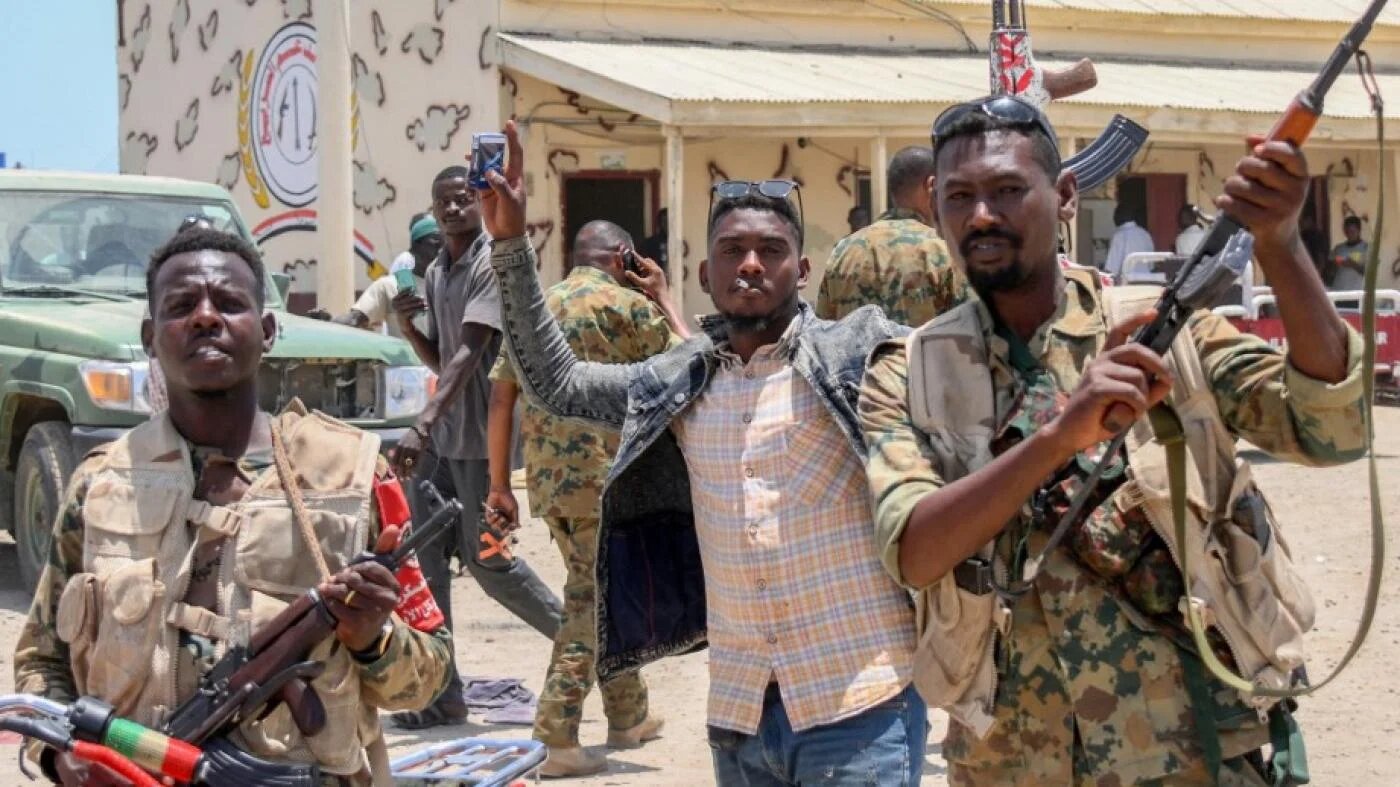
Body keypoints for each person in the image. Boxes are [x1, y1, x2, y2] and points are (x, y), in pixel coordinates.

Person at [858, 95, 1367, 785]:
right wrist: (1058, 436)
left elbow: (1331, 428)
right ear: (933, 205)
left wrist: (1280, 242)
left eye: (1008, 190)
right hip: (1010, 763)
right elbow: (914, 552)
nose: (981, 216)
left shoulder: (1165, 333)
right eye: (959, 196)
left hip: (1193, 751)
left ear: (1065, 194)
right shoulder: (908, 370)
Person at [480, 122, 927, 785]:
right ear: (704, 272)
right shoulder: (682, 382)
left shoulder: (857, 355)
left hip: (858, 709)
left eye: (771, 250)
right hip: (739, 717)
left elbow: (962, 368)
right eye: (732, 249)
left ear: (802, 271)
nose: (750, 263)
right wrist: (512, 244)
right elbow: (557, 383)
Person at [15, 228, 452, 785]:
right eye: (181, 307)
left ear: (267, 331)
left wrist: (372, 639)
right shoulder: (99, 483)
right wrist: (61, 758)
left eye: (228, 302)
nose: (205, 317)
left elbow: (430, 677)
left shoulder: (355, 476)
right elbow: (40, 663)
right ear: (150, 337)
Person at [482, 221, 687, 776]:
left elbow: (501, 398)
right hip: (611, 482)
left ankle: (629, 714)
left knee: (600, 589)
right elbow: (692, 367)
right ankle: (557, 738)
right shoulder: (631, 307)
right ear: (624, 258)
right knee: (589, 603)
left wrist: (499, 485)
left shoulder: (538, 307)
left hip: (552, 484)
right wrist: (664, 296)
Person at [388, 166, 563, 729]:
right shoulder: (438, 271)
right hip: (445, 439)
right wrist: (409, 329)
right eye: (443, 201)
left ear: (477, 203)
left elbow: (469, 353)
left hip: (483, 442)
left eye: (463, 199)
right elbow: (443, 359)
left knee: (490, 564)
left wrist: (421, 424)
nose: (452, 209)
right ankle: (442, 692)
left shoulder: (488, 263)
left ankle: (588, 652)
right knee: (425, 562)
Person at [817, 145, 968, 325]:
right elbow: (969, 329)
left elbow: (823, 330)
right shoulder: (943, 250)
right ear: (931, 185)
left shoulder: (843, 252)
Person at [308, 215, 442, 335]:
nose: (442, 248)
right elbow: (355, 319)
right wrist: (327, 324)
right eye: (436, 241)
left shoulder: (449, 283)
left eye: (446, 242)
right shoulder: (394, 283)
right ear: (416, 246)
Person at [1104, 200, 1154, 280]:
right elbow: (1151, 266)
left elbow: (1111, 270)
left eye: (1115, 214)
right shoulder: (1145, 234)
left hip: (1127, 284)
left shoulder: (1119, 236)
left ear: (1119, 216)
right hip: (1147, 282)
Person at [1329, 214, 1369, 291]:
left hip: (1356, 292)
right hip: (1338, 290)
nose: (1349, 235)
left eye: (1352, 232)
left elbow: (1369, 273)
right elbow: (1329, 271)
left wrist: (1353, 265)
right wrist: (1334, 264)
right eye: (1347, 232)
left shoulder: (1366, 248)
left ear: (1359, 230)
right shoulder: (1338, 248)